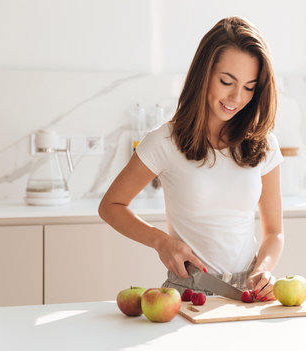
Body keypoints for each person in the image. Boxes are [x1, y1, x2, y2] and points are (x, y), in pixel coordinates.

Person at [99, 16, 284, 302]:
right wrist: (161, 242)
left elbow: (274, 233)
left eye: (249, 87)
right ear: (204, 74)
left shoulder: (263, 144)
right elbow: (111, 206)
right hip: (188, 294)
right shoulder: (165, 141)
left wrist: (265, 270)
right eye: (226, 81)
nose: (237, 97)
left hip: (247, 296)